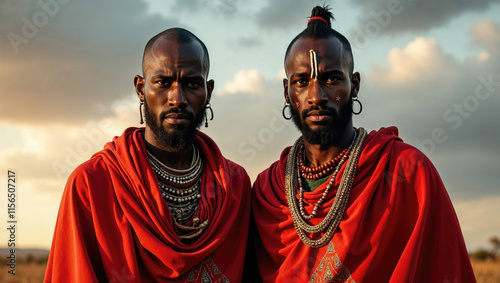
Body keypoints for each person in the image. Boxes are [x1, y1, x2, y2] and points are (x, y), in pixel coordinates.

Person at [250, 6, 476, 283]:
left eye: (331, 79)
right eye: (301, 81)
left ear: (354, 85)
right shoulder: (267, 191)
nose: (316, 95)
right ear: (287, 92)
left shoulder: (407, 171)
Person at [44, 28, 251, 282]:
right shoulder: (92, 183)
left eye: (192, 84)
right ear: (141, 89)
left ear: (208, 91)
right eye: (163, 83)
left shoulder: (235, 186)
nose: (177, 98)